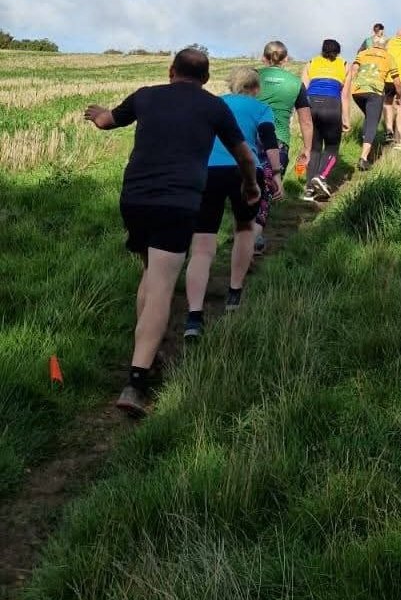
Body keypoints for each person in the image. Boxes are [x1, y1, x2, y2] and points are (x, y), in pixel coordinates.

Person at [84, 47, 259, 418]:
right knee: (163, 283)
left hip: (133, 199)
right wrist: (250, 186)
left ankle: (148, 352)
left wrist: (97, 113)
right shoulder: (214, 107)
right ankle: (136, 380)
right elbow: (244, 155)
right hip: (176, 202)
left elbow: (106, 122)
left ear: (170, 71)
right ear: (206, 78)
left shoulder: (146, 96)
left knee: (150, 272)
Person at [183, 67, 282, 340]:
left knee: (202, 244)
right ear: (256, 87)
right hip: (245, 169)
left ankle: (193, 316)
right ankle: (234, 293)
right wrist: (276, 175)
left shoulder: (214, 103)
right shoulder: (261, 109)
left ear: (231, 84)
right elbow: (270, 142)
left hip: (208, 171)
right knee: (245, 229)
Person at [254, 40, 313, 253]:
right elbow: (306, 121)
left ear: (264, 57)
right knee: (267, 189)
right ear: (286, 59)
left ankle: (245, 234)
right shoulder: (296, 83)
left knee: (245, 187)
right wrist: (307, 149)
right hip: (278, 142)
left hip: (248, 138)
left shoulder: (252, 77)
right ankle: (256, 235)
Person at [344, 29, 401, 169]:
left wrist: (351, 85)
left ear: (372, 43)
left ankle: (367, 143)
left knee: (369, 117)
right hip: (375, 92)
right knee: (372, 123)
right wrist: (399, 95)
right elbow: (397, 80)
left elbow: (354, 69)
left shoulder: (362, 53)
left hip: (357, 92)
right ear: (385, 45)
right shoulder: (388, 57)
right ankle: (363, 158)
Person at [300, 39, 348, 201]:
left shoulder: (311, 62)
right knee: (332, 147)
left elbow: (303, 90)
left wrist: (300, 114)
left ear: (322, 50)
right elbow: (345, 95)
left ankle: (309, 190)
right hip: (332, 105)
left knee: (314, 148)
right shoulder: (344, 64)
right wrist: (346, 118)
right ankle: (321, 176)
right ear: (338, 51)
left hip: (311, 104)